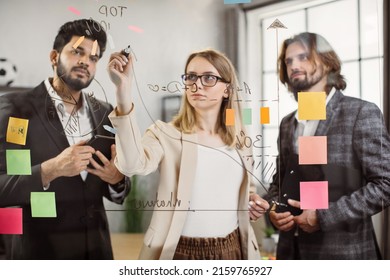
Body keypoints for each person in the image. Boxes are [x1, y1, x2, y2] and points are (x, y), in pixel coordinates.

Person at [107, 48, 270, 259]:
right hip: (179, 252)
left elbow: (244, 192)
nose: (197, 84)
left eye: (209, 78)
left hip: (234, 250)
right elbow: (130, 165)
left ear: (227, 90)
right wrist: (123, 91)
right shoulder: (165, 133)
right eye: (191, 76)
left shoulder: (240, 139)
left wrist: (251, 201)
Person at [0, 19, 130, 259]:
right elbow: (3, 186)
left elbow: (120, 184)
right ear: (54, 56)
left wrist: (116, 178)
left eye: (93, 58)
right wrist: (51, 169)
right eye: (77, 52)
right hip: (39, 256)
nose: (85, 62)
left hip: (96, 254)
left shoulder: (104, 112)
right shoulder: (16, 109)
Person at [266, 32, 390, 259]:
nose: (294, 65)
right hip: (290, 254)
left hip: (343, 255)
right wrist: (274, 209)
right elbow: (280, 182)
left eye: (303, 57)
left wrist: (324, 216)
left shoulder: (360, 113)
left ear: (326, 61)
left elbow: (386, 184)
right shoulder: (287, 123)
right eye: (288, 61)